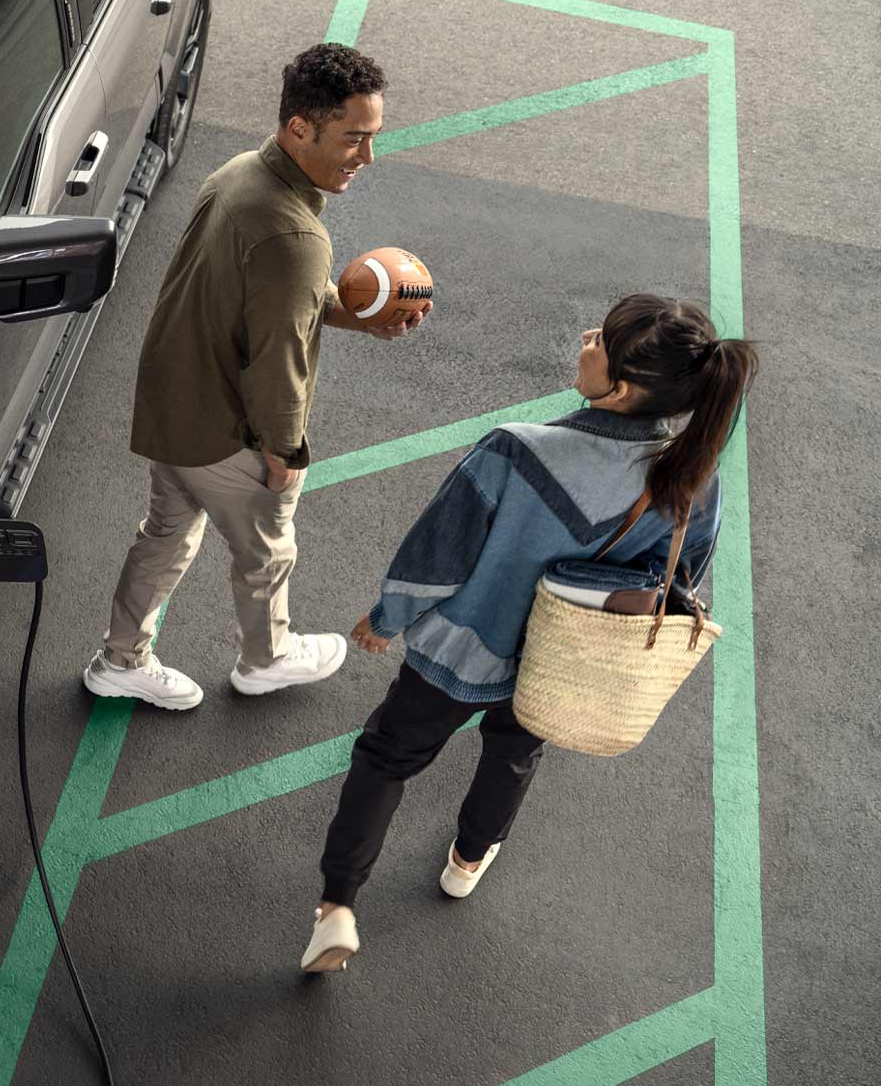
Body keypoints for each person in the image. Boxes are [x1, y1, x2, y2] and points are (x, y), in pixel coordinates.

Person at [299, 295, 761, 973]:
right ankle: (467, 858)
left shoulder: (517, 450)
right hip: (560, 660)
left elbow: (439, 553)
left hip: (460, 650)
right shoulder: (693, 478)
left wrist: (387, 617)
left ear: (622, 387)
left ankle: (337, 906)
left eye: (598, 341)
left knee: (385, 759)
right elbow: (684, 576)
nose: (584, 340)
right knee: (513, 752)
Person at [85, 44, 428, 712]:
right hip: (225, 432)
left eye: (373, 137)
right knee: (268, 553)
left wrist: (359, 319)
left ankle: (119, 659)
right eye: (354, 138)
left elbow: (271, 298)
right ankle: (267, 659)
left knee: (163, 538)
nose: (367, 157)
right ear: (301, 127)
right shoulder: (295, 237)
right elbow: (280, 359)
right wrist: (282, 453)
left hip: (170, 410)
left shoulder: (241, 174)